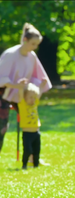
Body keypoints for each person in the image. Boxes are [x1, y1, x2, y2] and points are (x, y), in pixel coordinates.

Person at [0, 23, 52, 163]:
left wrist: (38, 86)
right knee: (1, 126)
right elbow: (1, 78)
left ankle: (32, 157)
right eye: (33, 44)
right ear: (25, 40)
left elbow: (38, 76)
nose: (34, 47)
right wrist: (15, 85)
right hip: (3, 94)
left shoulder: (32, 56)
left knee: (31, 121)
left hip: (21, 93)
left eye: (37, 44)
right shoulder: (10, 55)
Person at [18, 81, 46, 169]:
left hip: (36, 133)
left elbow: (39, 92)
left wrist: (42, 84)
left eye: (34, 97)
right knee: (28, 150)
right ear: (25, 97)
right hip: (27, 134)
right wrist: (21, 87)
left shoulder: (35, 104)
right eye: (30, 97)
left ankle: (36, 165)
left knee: (36, 150)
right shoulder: (22, 105)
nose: (33, 99)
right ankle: (24, 165)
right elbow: (20, 94)